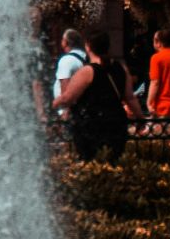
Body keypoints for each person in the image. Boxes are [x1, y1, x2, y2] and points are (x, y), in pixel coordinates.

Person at [54, 31, 137, 162]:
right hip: (116, 125)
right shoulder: (120, 68)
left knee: (92, 164)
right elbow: (130, 97)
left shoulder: (87, 71)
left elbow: (68, 98)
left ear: (88, 46)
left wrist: (50, 105)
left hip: (92, 128)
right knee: (113, 162)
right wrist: (141, 118)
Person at [51, 28, 88, 113]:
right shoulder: (85, 57)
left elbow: (64, 85)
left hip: (67, 111)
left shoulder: (67, 60)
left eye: (62, 39)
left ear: (65, 42)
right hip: (81, 108)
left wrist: (65, 110)